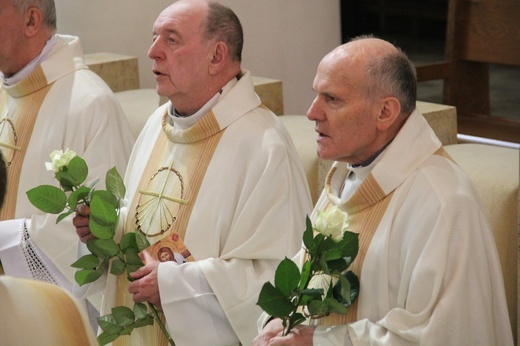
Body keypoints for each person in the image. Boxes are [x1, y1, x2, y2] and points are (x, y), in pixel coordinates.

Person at [73, 1, 312, 345]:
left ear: (217, 56)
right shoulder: (159, 124)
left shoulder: (264, 146)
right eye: (154, 37)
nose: (153, 52)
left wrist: (174, 286)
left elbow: (276, 276)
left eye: (171, 40)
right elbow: (148, 223)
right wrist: (105, 229)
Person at [254, 36, 513, 345]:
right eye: (316, 96)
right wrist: (278, 321)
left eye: (332, 99)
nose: (312, 112)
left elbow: (439, 335)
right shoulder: (347, 177)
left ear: (385, 113)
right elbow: (303, 275)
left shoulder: (443, 203)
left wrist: (317, 341)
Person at [0, 0, 135, 306]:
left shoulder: (91, 104)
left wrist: (3, 243)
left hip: (50, 316)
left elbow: (100, 233)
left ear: (32, 20)